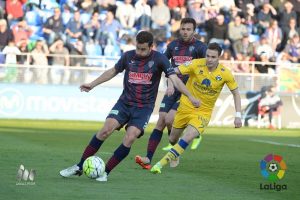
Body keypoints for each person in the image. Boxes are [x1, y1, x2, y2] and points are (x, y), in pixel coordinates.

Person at [59, 31, 200, 182]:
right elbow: (113, 71)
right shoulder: (128, 56)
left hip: (144, 108)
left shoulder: (160, 59)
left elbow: (175, 78)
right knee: (105, 130)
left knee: (130, 137)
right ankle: (80, 166)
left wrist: (190, 96)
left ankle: (105, 172)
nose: (139, 52)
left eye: (143, 49)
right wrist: (92, 84)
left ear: (151, 47)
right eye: (138, 48)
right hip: (124, 103)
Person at [150, 43, 243, 174]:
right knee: (172, 139)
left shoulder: (225, 73)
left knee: (188, 136)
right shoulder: (195, 64)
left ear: (219, 58)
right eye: (208, 56)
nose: (209, 59)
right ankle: (175, 152)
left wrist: (238, 115)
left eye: (213, 57)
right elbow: (172, 71)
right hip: (185, 106)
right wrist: (169, 80)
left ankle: (159, 164)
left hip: (203, 112)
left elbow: (236, 93)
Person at [135, 18, 207, 170]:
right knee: (161, 119)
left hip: (188, 92)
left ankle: (177, 149)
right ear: (179, 29)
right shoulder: (173, 46)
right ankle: (148, 157)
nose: (185, 31)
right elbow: (164, 64)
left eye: (188, 29)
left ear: (194, 31)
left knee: (169, 119)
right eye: (183, 29)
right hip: (172, 88)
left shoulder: (200, 48)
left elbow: (205, 70)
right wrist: (168, 83)